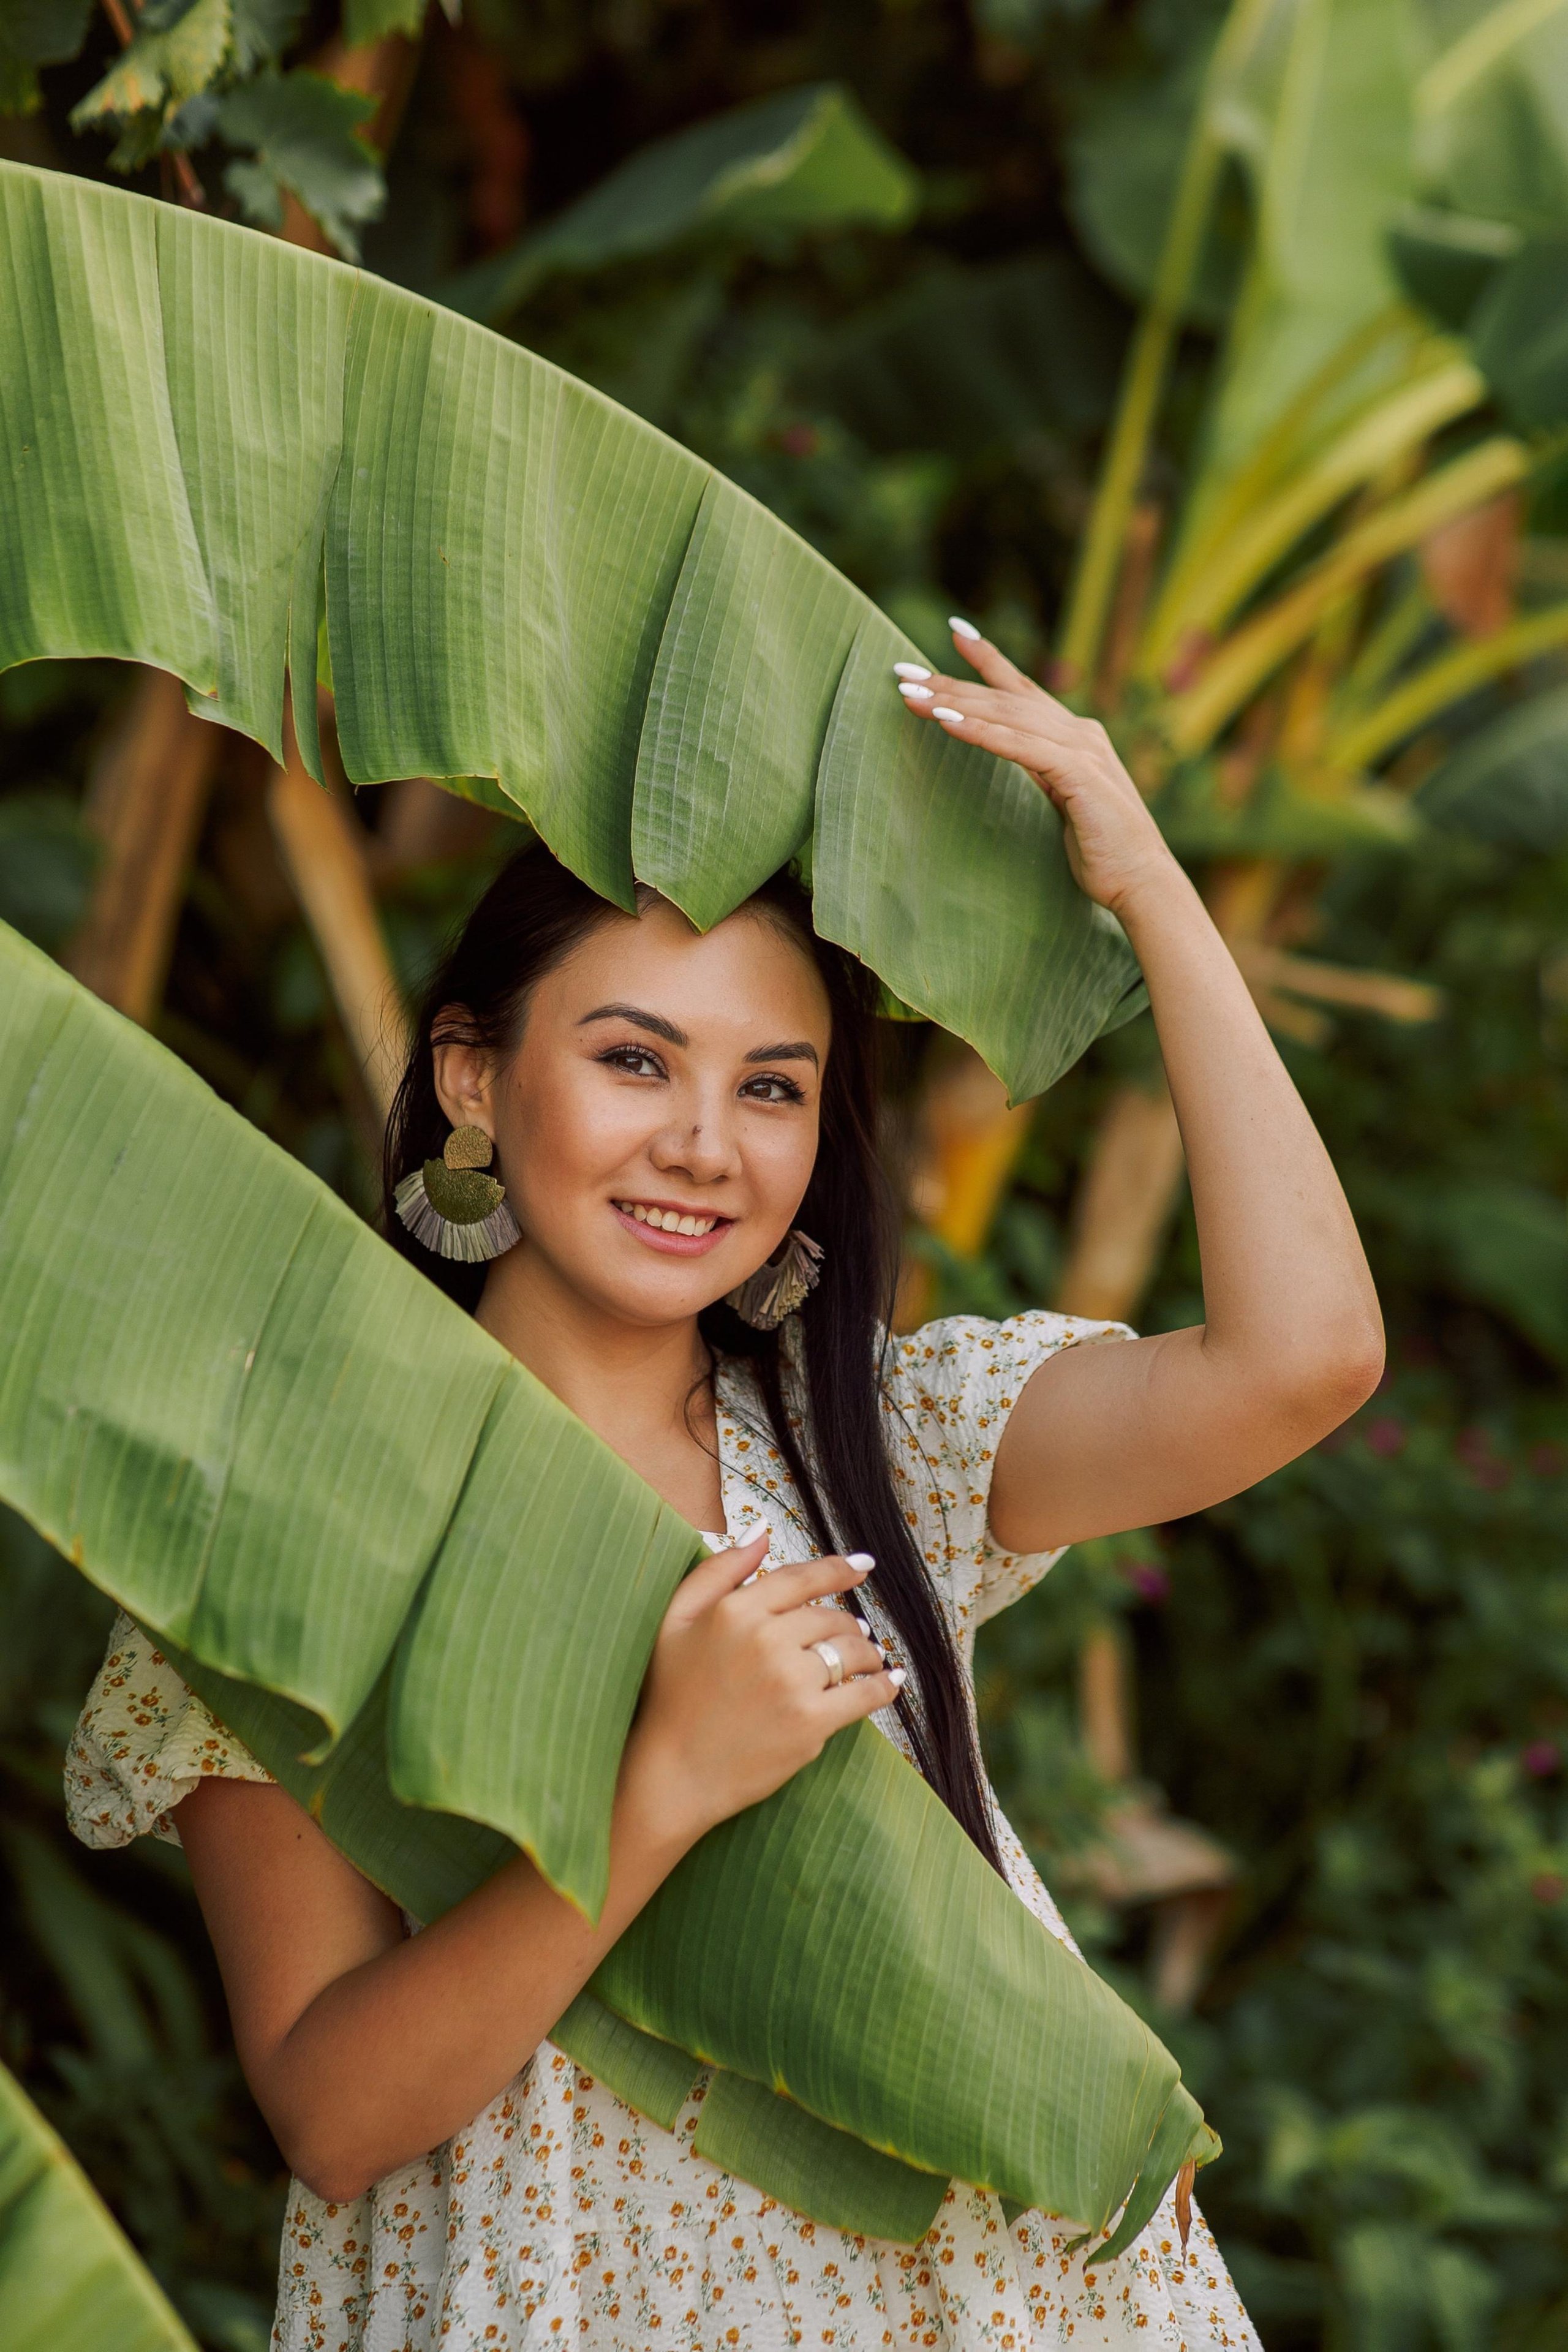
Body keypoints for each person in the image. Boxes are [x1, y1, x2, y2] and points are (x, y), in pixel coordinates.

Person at [67, 625, 1382, 2349]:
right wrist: (662, 1785)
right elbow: (333, 2113)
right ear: (473, 1076)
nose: (707, 1142)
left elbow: (1303, 1364)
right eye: (634, 1061)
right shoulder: (285, 1522)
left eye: (773, 1088)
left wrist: (1147, 883)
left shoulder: (881, 1450)